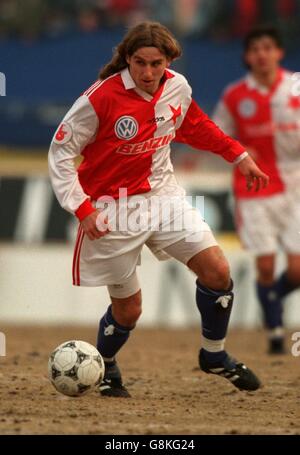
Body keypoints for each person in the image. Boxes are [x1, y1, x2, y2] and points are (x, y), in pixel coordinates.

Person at [48, 21, 268, 398]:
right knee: (129, 311)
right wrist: (82, 208)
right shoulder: (100, 98)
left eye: (156, 63)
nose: (148, 72)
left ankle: (213, 355)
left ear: (170, 60)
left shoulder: (177, 87)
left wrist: (239, 154)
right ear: (127, 60)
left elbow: (196, 126)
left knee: (217, 270)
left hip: (163, 196)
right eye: (139, 63)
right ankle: (105, 363)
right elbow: (61, 152)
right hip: (110, 207)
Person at [213, 25, 300, 355]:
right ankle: (276, 333)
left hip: (296, 184)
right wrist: (242, 150)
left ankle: (271, 300)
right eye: (255, 49)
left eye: (268, 47)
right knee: (265, 265)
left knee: (296, 268)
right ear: (247, 56)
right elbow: (219, 135)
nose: (262, 54)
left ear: (279, 52)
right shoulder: (235, 95)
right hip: (256, 186)